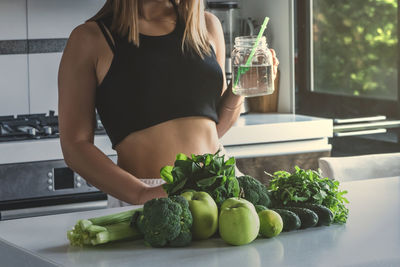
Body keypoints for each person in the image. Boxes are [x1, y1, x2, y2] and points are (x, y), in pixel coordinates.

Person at [58, 0, 279, 207]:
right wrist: (141, 194)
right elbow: (75, 146)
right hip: (148, 194)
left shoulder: (206, 26)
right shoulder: (89, 38)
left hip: (220, 185)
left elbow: (214, 127)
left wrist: (239, 88)